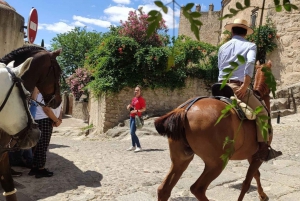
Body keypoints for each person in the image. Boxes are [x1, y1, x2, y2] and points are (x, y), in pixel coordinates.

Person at [218, 18, 282, 161]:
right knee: (263, 113)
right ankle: (263, 149)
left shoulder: (223, 47)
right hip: (237, 87)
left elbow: (220, 67)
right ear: (246, 32)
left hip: (220, 86)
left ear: (232, 31)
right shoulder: (250, 46)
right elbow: (250, 63)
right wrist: (246, 85)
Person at [28, 91, 63, 178]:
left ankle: (34, 168)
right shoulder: (44, 94)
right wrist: (56, 120)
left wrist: (59, 118)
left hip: (44, 120)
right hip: (43, 120)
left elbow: (59, 108)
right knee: (42, 146)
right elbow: (46, 109)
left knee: (39, 145)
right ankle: (41, 169)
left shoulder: (50, 93)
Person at [126, 85, 146, 152]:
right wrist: (129, 106)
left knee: (132, 132)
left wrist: (137, 111)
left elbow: (144, 109)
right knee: (132, 132)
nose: (136, 91)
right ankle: (133, 146)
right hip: (131, 116)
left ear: (140, 91)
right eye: (135, 90)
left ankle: (139, 146)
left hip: (136, 117)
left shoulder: (141, 99)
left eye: (137, 90)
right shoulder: (134, 99)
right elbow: (133, 106)